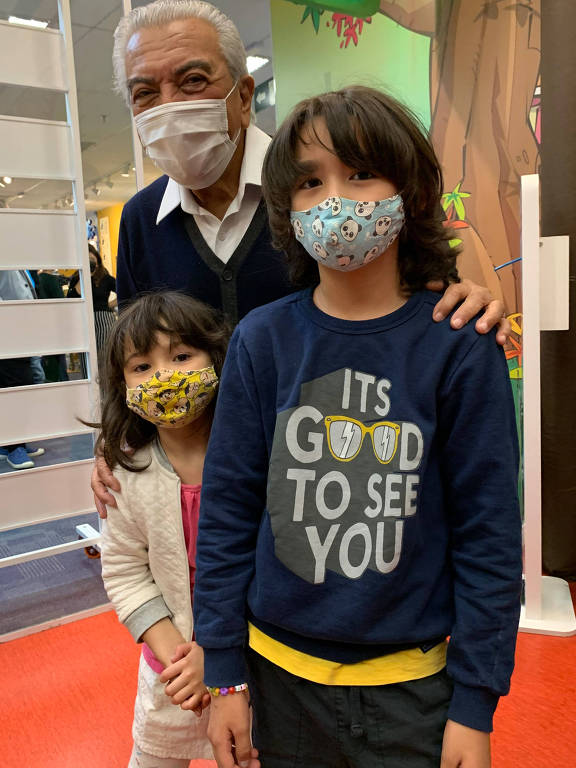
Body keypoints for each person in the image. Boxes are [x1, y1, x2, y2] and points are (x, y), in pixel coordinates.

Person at [193, 86, 523, 768]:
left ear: (408, 192)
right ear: (286, 207)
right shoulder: (262, 341)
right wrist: (223, 671)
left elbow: (487, 534)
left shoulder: (459, 346)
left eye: (360, 172)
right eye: (311, 182)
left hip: (415, 690)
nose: (335, 200)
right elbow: (227, 513)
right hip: (278, 681)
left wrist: (475, 703)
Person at [93, 0, 511, 516]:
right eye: (144, 93)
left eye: (193, 80)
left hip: (341, 481)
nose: (170, 104)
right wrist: (118, 438)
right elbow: (136, 354)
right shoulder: (140, 221)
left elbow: (419, 300)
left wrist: (467, 297)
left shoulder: (321, 200)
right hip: (212, 493)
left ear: (244, 94)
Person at [94, 291, 230, 767]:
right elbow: (125, 571)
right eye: (142, 367)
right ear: (123, 385)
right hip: (169, 670)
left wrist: (217, 652)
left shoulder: (253, 457)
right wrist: (177, 659)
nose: (165, 377)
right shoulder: (126, 474)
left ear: (215, 357)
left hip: (249, 660)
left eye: (181, 356)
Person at [0, 269, 46, 469]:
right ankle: (14, 447)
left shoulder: (19, 261)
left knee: (23, 384)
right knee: (16, 387)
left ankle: (11, 443)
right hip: (9, 332)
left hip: (21, 332)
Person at [68, 244, 117, 364]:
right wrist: (84, 275)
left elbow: (123, 290)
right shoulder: (76, 278)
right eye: (87, 260)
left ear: (97, 260)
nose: (90, 264)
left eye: (92, 261)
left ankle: (106, 382)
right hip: (84, 320)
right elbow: (72, 298)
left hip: (104, 320)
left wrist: (109, 305)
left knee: (105, 357)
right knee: (86, 358)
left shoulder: (105, 278)